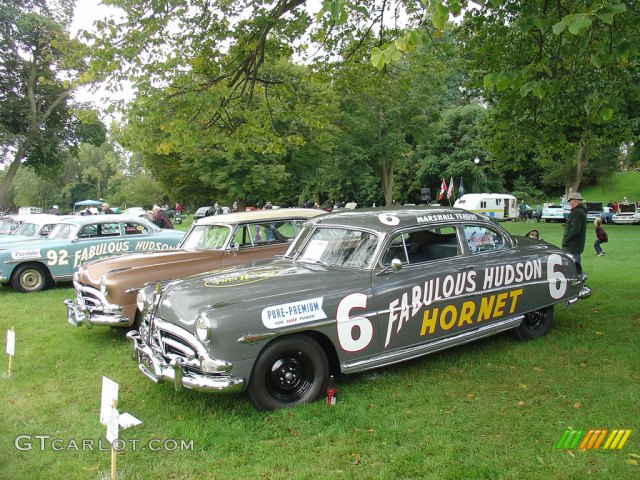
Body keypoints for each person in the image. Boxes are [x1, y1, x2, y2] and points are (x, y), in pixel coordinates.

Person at [561, 192, 588, 264]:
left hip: (572, 245)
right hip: (575, 245)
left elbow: (575, 229)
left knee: (572, 267)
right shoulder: (579, 211)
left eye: (570, 201)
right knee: (575, 266)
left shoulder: (577, 212)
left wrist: (566, 240)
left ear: (574, 200)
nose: (569, 203)